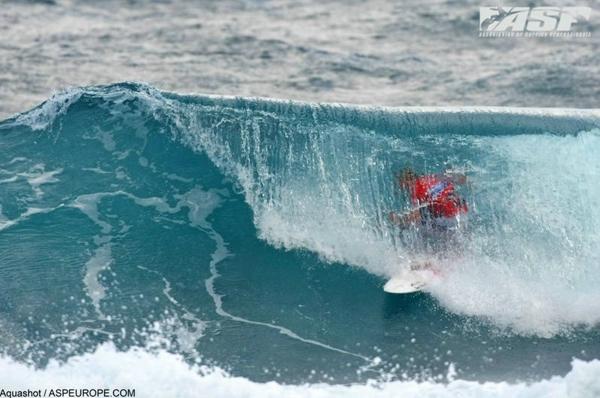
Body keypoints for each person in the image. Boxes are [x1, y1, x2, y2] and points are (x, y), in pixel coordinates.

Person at [389, 167, 468, 231]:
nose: (401, 188)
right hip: (461, 208)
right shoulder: (431, 178)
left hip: (444, 208)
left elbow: (423, 210)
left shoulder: (416, 188)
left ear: (407, 181)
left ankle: (402, 220)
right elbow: (455, 180)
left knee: (423, 212)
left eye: (401, 184)